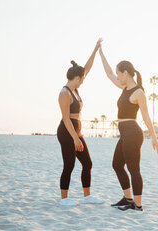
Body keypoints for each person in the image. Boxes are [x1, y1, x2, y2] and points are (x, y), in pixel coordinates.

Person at [99, 42, 158, 211]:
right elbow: (109, 73)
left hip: (133, 133)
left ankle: (138, 205)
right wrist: (100, 52)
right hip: (125, 134)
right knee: (117, 164)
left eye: (120, 74)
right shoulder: (124, 87)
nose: (117, 77)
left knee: (133, 168)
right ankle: (127, 199)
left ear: (125, 73)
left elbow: (146, 116)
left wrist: (154, 137)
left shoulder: (138, 92)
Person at [57, 39, 104, 206]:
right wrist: (75, 138)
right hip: (67, 130)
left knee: (87, 163)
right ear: (76, 78)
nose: (83, 80)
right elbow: (65, 118)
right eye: (82, 79)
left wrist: (95, 50)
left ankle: (87, 196)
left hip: (77, 131)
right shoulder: (65, 93)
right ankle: (64, 199)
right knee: (69, 165)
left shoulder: (75, 89)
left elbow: (87, 68)